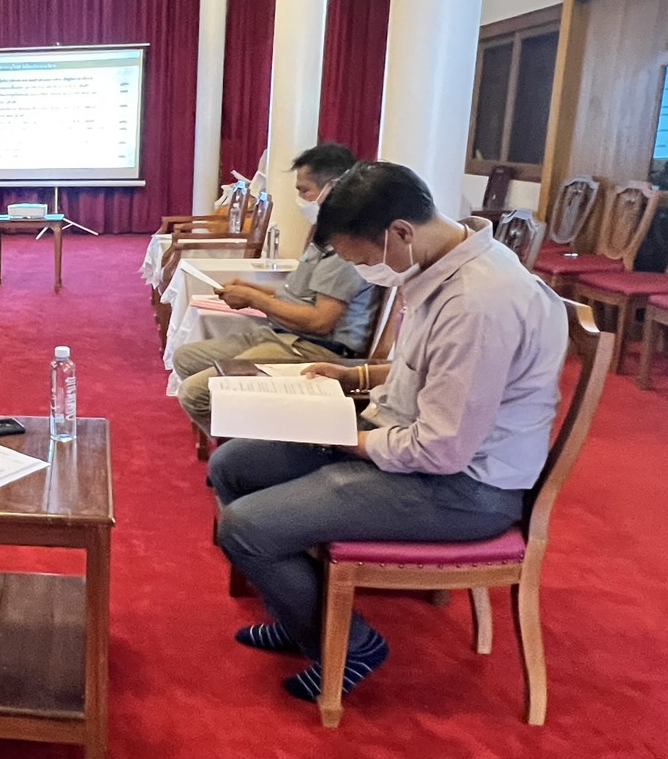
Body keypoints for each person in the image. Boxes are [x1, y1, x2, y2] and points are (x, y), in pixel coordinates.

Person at [210, 162, 569, 705]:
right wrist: (352, 377)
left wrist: (341, 440)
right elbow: (423, 372)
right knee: (233, 466)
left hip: (464, 489)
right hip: (404, 440)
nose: (364, 271)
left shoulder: (477, 304)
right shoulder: (442, 264)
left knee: (245, 528)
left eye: (362, 259)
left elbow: (441, 449)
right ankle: (301, 613)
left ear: (400, 232)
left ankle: (351, 646)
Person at [170, 144, 379, 433]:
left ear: (333, 187)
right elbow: (301, 296)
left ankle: (249, 445)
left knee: (196, 393)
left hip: (313, 348)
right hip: (283, 334)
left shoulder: (347, 243)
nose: (300, 200)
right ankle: (244, 434)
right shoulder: (324, 233)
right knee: (185, 357)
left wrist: (255, 299)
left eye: (304, 191)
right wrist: (254, 291)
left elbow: (320, 322)